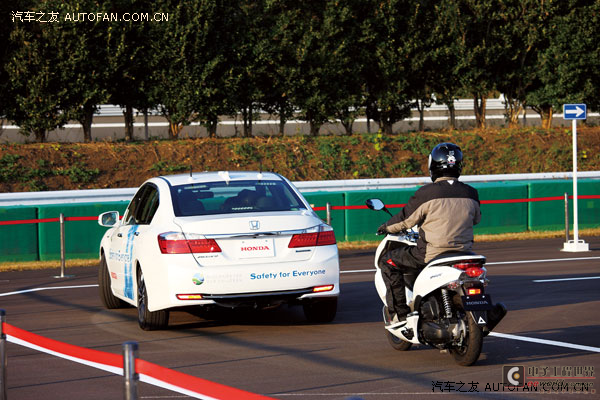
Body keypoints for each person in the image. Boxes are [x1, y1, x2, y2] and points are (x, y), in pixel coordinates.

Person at [377, 142, 481, 326]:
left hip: (431, 253)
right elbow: (476, 219)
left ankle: (399, 316)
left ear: (433, 165)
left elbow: (405, 220)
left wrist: (386, 227)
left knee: (388, 261)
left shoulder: (426, 193)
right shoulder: (471, 193)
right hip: (464, 252)